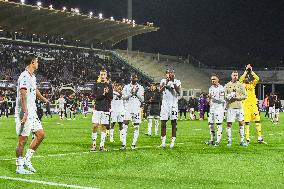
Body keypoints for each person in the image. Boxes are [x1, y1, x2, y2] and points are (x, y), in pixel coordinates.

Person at [15, 54, 49, 174]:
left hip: (32, 111)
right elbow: (23, 95)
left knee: (40, 135)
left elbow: (34, 90)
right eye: (37, 61)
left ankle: (27, 160)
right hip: (24, 112)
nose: (38, 63)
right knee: (22, 140)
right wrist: (25, 113)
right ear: (32, 62)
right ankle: (19, 166)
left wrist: (44, 99)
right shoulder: (24, 76)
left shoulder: (32, 76)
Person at [239, 64, 265, 144]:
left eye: (247, 78)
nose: (246, 79)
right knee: (247, 122)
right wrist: (246, 71)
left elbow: (257, 78)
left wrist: (251, 71)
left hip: (253, 105)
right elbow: (240, 80)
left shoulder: (252, 84)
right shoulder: (242, 85)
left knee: (257, 121)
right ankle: (247, 138)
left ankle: (260, 138)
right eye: (245, 78)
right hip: (245, 106)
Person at [91, 69, 113, 151]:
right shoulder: (96, 85)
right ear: (99, 75)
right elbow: (95, 96)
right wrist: (103, 94)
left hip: (106, 109)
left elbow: (111, 98)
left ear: (106, 75)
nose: (103, 76)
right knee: (95, 125)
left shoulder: (109, 86)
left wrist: (107, 93)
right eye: (101, 74)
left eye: (104, 74)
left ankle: (102, 145)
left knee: (103, 126)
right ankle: (93, 144)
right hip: (97, 108)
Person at [121, 74, 144, 150]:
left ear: (137, 78)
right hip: (127, 108)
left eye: (135, 77)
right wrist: (131, 93)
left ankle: (133, 144)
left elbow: (142, 99)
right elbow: (123, 97)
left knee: (136, 126)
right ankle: (124, 144)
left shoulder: (140, 87)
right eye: (132, 77)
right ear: (130, 78)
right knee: (124, 125)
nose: (134, 78)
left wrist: (136, 93)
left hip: (136, 109)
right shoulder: (126, 87)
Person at [159, 69, 181, 148]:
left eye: (172, 72)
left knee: (174, 123)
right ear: (166, 74)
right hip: (165, 105)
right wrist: (165, 85)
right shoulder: (163, 81)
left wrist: (173, 84)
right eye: (168, 73)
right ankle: (163, 142)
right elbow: (159, 91)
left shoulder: (177, 81)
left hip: (173, 105)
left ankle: (173, 141)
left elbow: (179, 92)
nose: (170, 74)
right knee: (163, 122)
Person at [224, 71, 247, 147]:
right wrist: (229, 97)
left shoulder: (241, 85)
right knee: (229, 124)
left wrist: (237, 97)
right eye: (234, 75)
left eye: (236, 75)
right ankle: (229, 141)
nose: (235, 76)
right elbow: (224, 96)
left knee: (241, 123)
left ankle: (242, 141)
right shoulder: (227, 85)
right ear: (231, 76)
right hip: (230, 107)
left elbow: (245, 96)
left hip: (239, 107)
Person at [206, 74, 225, 146]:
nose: (212, 81)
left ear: (218, 80)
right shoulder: (210, 88)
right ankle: (212, 140)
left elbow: (221, 100)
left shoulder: (221, 88)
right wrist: (209, 100)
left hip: (219, 109)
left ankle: (218, 141)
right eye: (212, 79)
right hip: (212, 109)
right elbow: (210, 98)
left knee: (218, 124)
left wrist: (212, 97)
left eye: (214, 79)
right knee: (210, 124)